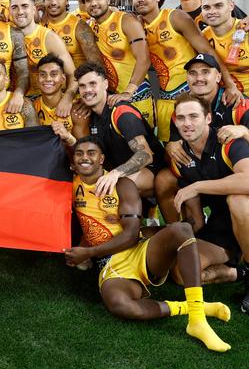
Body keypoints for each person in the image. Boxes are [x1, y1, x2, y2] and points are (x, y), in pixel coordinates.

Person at [66, 136, 231, 352]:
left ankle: (198, 320)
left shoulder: (121, 184)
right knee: (120, 305)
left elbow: (132, 234)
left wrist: (88, 252)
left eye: (91, 153)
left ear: (101, 159)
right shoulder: (68, 185)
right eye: (80, 153)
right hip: (111, 263)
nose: (85, 158)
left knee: (182, 229)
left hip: (138, 248)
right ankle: (184, 307)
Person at [130, 0, 238, 142]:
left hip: (193, 96)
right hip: (165, 100)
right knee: (172, 153)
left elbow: (207, 51)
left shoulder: (175, 17)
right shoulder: (135, 25)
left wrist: (230, 84)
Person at [170, 93, 249, 313]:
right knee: (182, 272)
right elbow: (196, 220)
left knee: (238, 200)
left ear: (208, 118)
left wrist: (196, 186)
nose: (187, 123)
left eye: (194, 116)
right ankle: (238, 272)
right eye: (181, 118)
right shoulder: (181, 158)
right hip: (222, 224)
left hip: (246, 213)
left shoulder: (228, 142)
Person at [155, 53, 249, 223]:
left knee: (237, 199)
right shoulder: (182, 109)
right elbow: (175, 145)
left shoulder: (238, 103)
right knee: (164, 179)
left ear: (218, 76)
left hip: (238, 170)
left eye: (205, 72)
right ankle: (178, 233)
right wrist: (170, 146)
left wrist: (244, 130)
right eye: (193, 73)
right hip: (205, 168)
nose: (199, 78)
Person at [74, 62, 164, 198]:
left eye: (93, 84)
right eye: (82, 86)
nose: (87, 90)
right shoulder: (89, 114)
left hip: (150, 170)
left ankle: (147, 217)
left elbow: (145, 155)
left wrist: (115, 173)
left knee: (117, 187)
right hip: (118, 171)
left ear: (105, 84)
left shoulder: (121, 112)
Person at [81, 0, 155, 127]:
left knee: (145, 145)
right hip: (110, 99)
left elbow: (144, 58)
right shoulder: (89, 27)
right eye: (88, 0)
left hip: (136, 95)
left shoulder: (126, 20)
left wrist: (128, 92)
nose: (94, 3)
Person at [10, 0, 77, 113]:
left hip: (47, 103)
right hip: (16, 103)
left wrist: (67, 98)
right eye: (14, 7)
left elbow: (73, 74)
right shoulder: (6, 34)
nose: (20, 11)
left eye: (25, 6)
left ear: (34, 9)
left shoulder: (49, 38)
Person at [41, 0, 103, 70]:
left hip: (76, 81)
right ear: (44, 2)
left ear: (66, 1)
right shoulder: (39, 24)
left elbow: (96, 65)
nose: (53, 2)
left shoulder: (79, 26)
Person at [201, 0, 249, 94]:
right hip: (222, 103)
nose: (212, 11)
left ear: (231, 6)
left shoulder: (246, 30)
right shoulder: (202, 37)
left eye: (218, 6)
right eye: (206, 7)